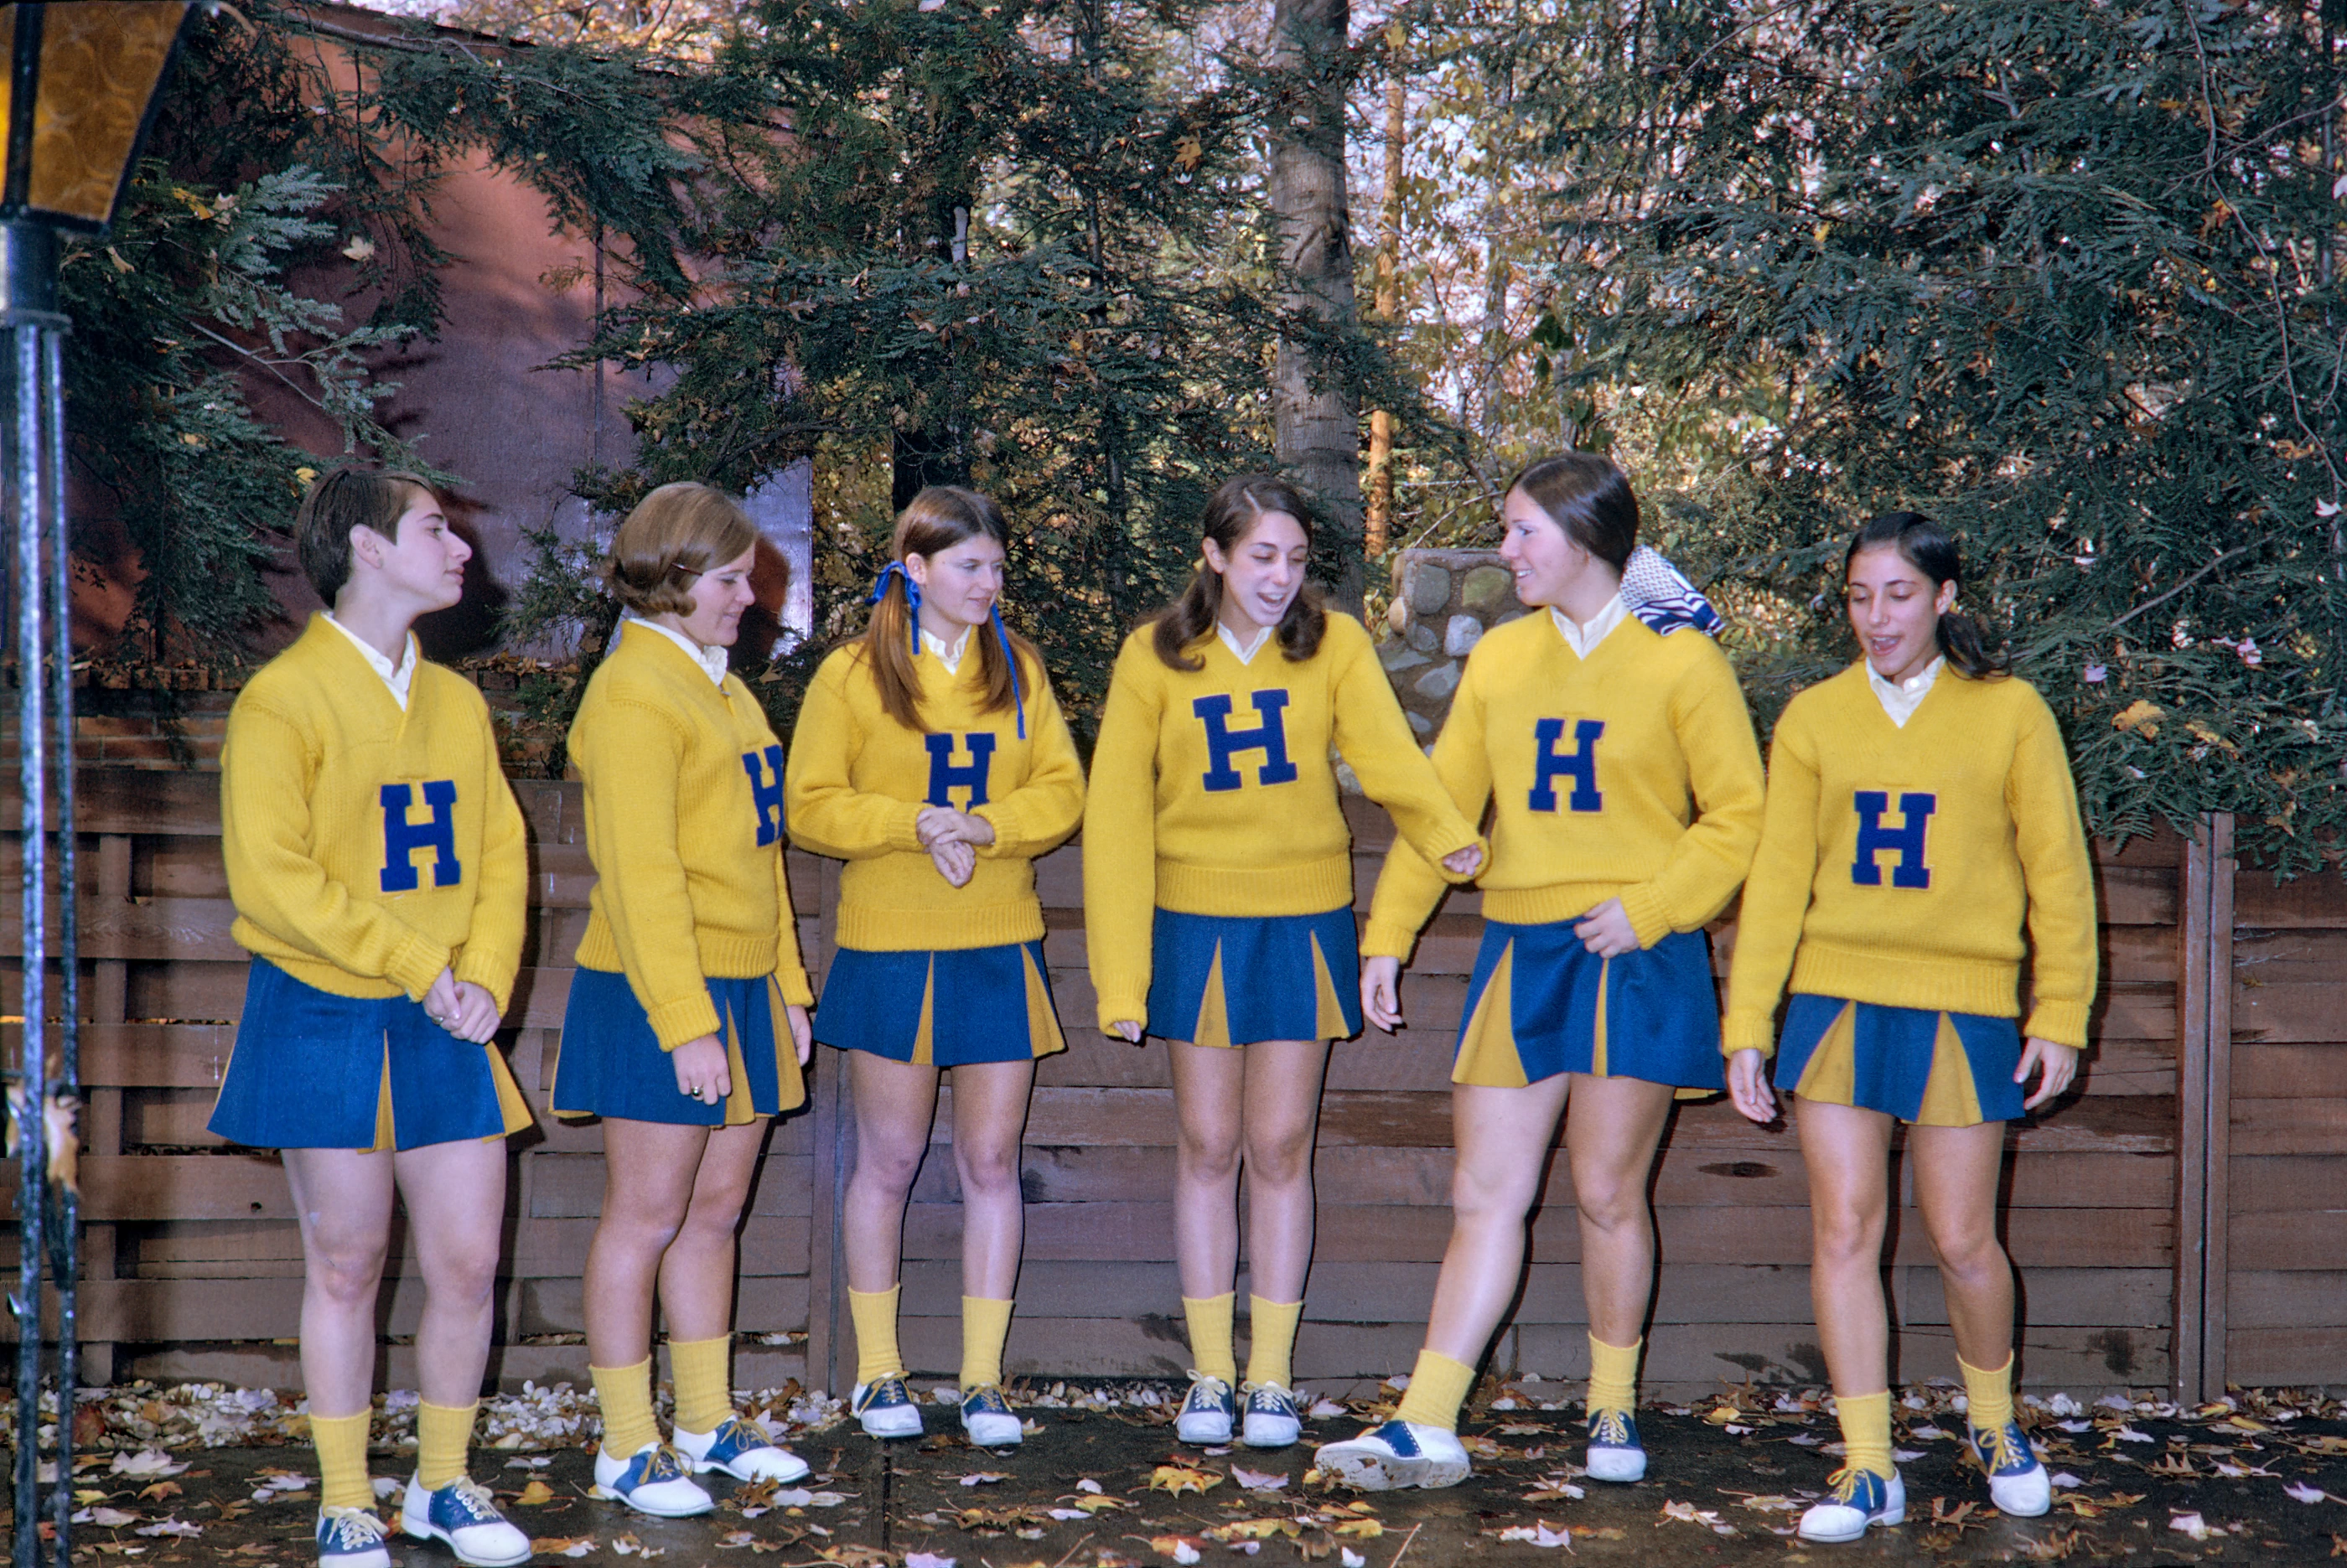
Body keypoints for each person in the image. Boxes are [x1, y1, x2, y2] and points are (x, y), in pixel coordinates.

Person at [1313, 453, 1765, 1492]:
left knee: (1608, 1190)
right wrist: (1385, 938)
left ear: (1585, 540)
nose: (1505, 549)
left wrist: (1652, 906)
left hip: (1638, 953)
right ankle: (1426, 1420)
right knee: (1485, 1190)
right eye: (1506, 530)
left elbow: (1741, 815)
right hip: (1522, 951)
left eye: (1522, 531)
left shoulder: (1684, 664)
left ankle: (1613, 1407)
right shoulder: (1503, 660)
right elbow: (1441, 808)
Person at [1083, 474, 1486, 1450]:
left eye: (1296, 559)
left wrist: (1446, 835)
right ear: (1214, 554)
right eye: (1260, 555)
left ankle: (1270, 1375)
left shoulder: (1335, 645)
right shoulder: (1153, 656)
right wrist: (1120, 976)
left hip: (1301, 925)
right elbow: (1116, 821)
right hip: (1193, 925)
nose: (1279, 576)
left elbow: (1391, 759)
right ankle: (1210, 1372)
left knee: (1278, 1147)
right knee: (1206, 1145)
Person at [1721, 512, 2095, 1544]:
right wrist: (1747, 1024)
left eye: (1896, 593)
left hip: (1966, 1005)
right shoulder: (1810, 718)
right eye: (1857, 594)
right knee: (1842, 1228)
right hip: (1836, 1002)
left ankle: (1993, 1424)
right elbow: (1777, 882)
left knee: (1962, 1237)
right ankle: (1868, 1462)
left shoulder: (2011, 711)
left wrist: (2057, 1012)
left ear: (1943, 596)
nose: (1875, 615)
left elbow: (2058, 875)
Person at [212, 468, 534, 1568]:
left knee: (464, 1259)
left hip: (447, 1017)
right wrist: (416, 960)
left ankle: (443, 1481)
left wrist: (485, 967)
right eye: (438, 529)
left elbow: (502, 851)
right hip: (326, 1008)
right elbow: (271, 878)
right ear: (367, 546)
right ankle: (348, 1496)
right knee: (346, 1262)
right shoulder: (283, 699)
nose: (460, 551)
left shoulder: (457, 702)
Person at [786, 486, 1085, 1446]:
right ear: (914, 569)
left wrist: (985, 826)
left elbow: (1062, 789)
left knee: (990, 1159)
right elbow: (811, 803)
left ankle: (983, 1380)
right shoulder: (849, 674)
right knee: (889, 1158)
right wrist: (911, 822)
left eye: (997, 567)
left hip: (997, 940)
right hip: (887, 944)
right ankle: (878, 1372)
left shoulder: (1020, 669)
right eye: (970, 566)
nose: (990, 584)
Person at [550, 482, 817, 1519]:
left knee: (715, 1212)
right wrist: (687, 1021)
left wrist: (786, 988)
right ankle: (626, 1443)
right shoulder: (631, 697)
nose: (749, 595)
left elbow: (763, 860)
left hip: (743, 989)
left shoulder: (726, 689)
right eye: (731, 578)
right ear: (674, 581)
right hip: (660, 992)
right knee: (647, 1216)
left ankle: (704, 1421)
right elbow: (642, 874)